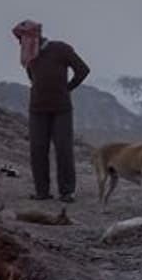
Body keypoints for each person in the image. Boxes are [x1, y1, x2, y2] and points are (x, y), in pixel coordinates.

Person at [11, 19, 89, 203]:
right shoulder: (29, 56)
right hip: (37, 110)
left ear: (34, 36)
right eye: (19, 39)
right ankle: (42, 192)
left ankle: (67, 192)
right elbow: (33, 78)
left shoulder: (61, 49)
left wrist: (67, 88)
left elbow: (83, 70)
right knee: (37, 150)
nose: (21, 43)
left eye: (23, 38)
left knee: (63, 150)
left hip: (61, 109)